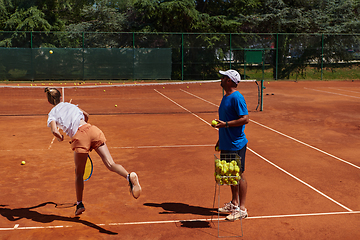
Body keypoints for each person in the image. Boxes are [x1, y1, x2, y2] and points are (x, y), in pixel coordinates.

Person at [44, 87, 141, 216]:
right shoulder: (71, 105)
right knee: (110, 164)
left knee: (79, 174)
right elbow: (86, 115)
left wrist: (60, 137)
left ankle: (80, 204)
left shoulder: (52, 113)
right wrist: (86, 131)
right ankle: (129, 176)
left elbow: (54, 130)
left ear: (49, 101)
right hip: (92, 130)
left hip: (79, 137)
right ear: (60, 97)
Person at [214, 69, 249, 221]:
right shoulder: (225, 97)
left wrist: (226, 124)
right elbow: (224, 121)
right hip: (227, 143)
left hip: (236, 144)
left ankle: (242, 209)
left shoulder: (237, 98)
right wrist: (220, 139)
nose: (220, 80)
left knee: (238, 175)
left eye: (223, 77)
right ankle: (234, 203)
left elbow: (245, 119)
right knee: (229, 175)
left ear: (229, 80)